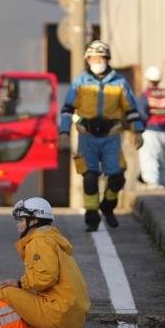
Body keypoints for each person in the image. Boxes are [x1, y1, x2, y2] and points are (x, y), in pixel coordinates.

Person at [0, 197, 90, 328]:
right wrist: (22, 283)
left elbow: (45, 277)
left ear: (34, 220)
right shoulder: (52, 237)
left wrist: (20, 283)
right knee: (16, 314)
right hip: (72, 313)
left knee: (2, 293)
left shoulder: (39, 240)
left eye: (21, 219)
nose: (18, 224)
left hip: (58, 312)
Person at [59, 40, 145, 232]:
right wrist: (64, 132)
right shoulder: (80, 82)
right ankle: (91, 216)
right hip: (86, 136)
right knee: (89, 178)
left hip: (111, 136)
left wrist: (137, 130)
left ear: (107, 59)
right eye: (93, 58)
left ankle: (107, 206)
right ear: (87, 60)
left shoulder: (120, 82)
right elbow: (67, 109)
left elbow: (131, 109)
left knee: (116, 177)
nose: (97, 61)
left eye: (100, 58)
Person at [136, 66, 165, 189]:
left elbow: (141, 114)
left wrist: (138, 130)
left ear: (147, 79)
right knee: (162, 157)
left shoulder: (146, 96)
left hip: (149, 131)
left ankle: (152, 183)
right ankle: (163, 182)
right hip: (164, 132)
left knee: (149, 157)